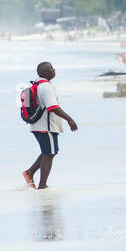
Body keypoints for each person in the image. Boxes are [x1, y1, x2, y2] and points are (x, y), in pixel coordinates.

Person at [21, 61, 78, 190]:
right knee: (49, 153)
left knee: (49, 152)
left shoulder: (37, 84)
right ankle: (42, 185)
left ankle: (30, 172)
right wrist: (69, 119)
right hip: (46, 126)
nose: (54, 70)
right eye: (51, 68)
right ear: (46, 72)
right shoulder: (46, 86)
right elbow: (52, 107)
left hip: (38, 126)